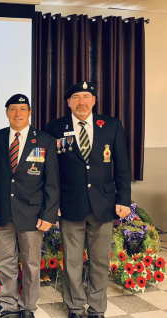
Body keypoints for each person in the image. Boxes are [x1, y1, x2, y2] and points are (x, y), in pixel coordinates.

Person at [45, 81, 131, 318]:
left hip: (103, 204)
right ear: (68, 102)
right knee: (72, 260)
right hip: (69, 204)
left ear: (93, 100)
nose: (81, 102)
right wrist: (54, 203)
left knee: (100, 260)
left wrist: (123, 199)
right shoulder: (55, 127)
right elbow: (50, 170)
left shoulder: (111, 125)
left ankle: (96, 308)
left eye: (86, 97)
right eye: (76, 97)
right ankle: (74, 306)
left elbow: (122, 165)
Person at [0, 94, 59, 318]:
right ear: (7, 112)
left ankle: (27, 307)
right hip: (2, 212)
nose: (18, 114)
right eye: (13, 109)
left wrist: (49, 214)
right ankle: (7, 304)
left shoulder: (45, 140)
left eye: (22, 109)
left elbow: (52, 181)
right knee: (4, 261)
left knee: (31, 265)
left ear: (30, 113)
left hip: (32, 213)